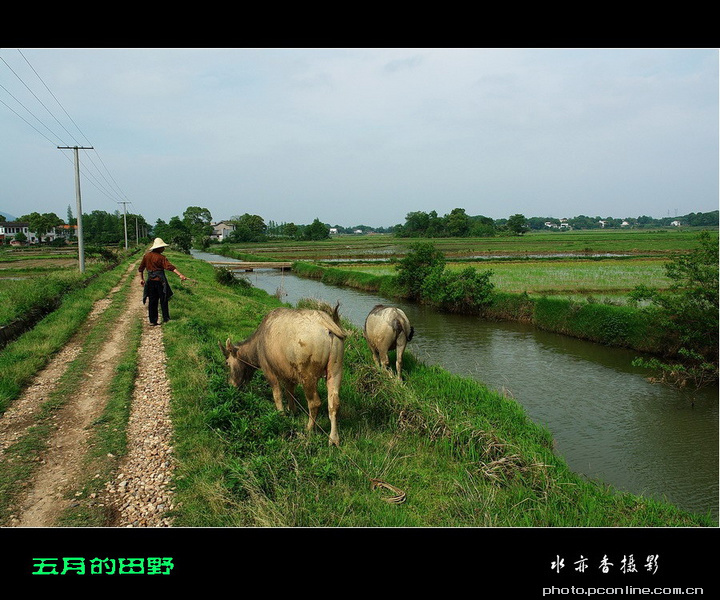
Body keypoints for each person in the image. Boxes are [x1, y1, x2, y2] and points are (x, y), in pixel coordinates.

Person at [139, 238, 188, 326]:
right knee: (164, 300)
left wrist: (141, 279)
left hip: (150, 281)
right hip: (160, 282)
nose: (164, 249)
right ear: (158, 248)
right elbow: (170, 267)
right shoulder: (161, 258)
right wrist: (180, 275)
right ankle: (166, 318)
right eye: (162, 247)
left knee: (152, 301)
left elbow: (141, 268)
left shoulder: (146, 256)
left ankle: (152, 320)